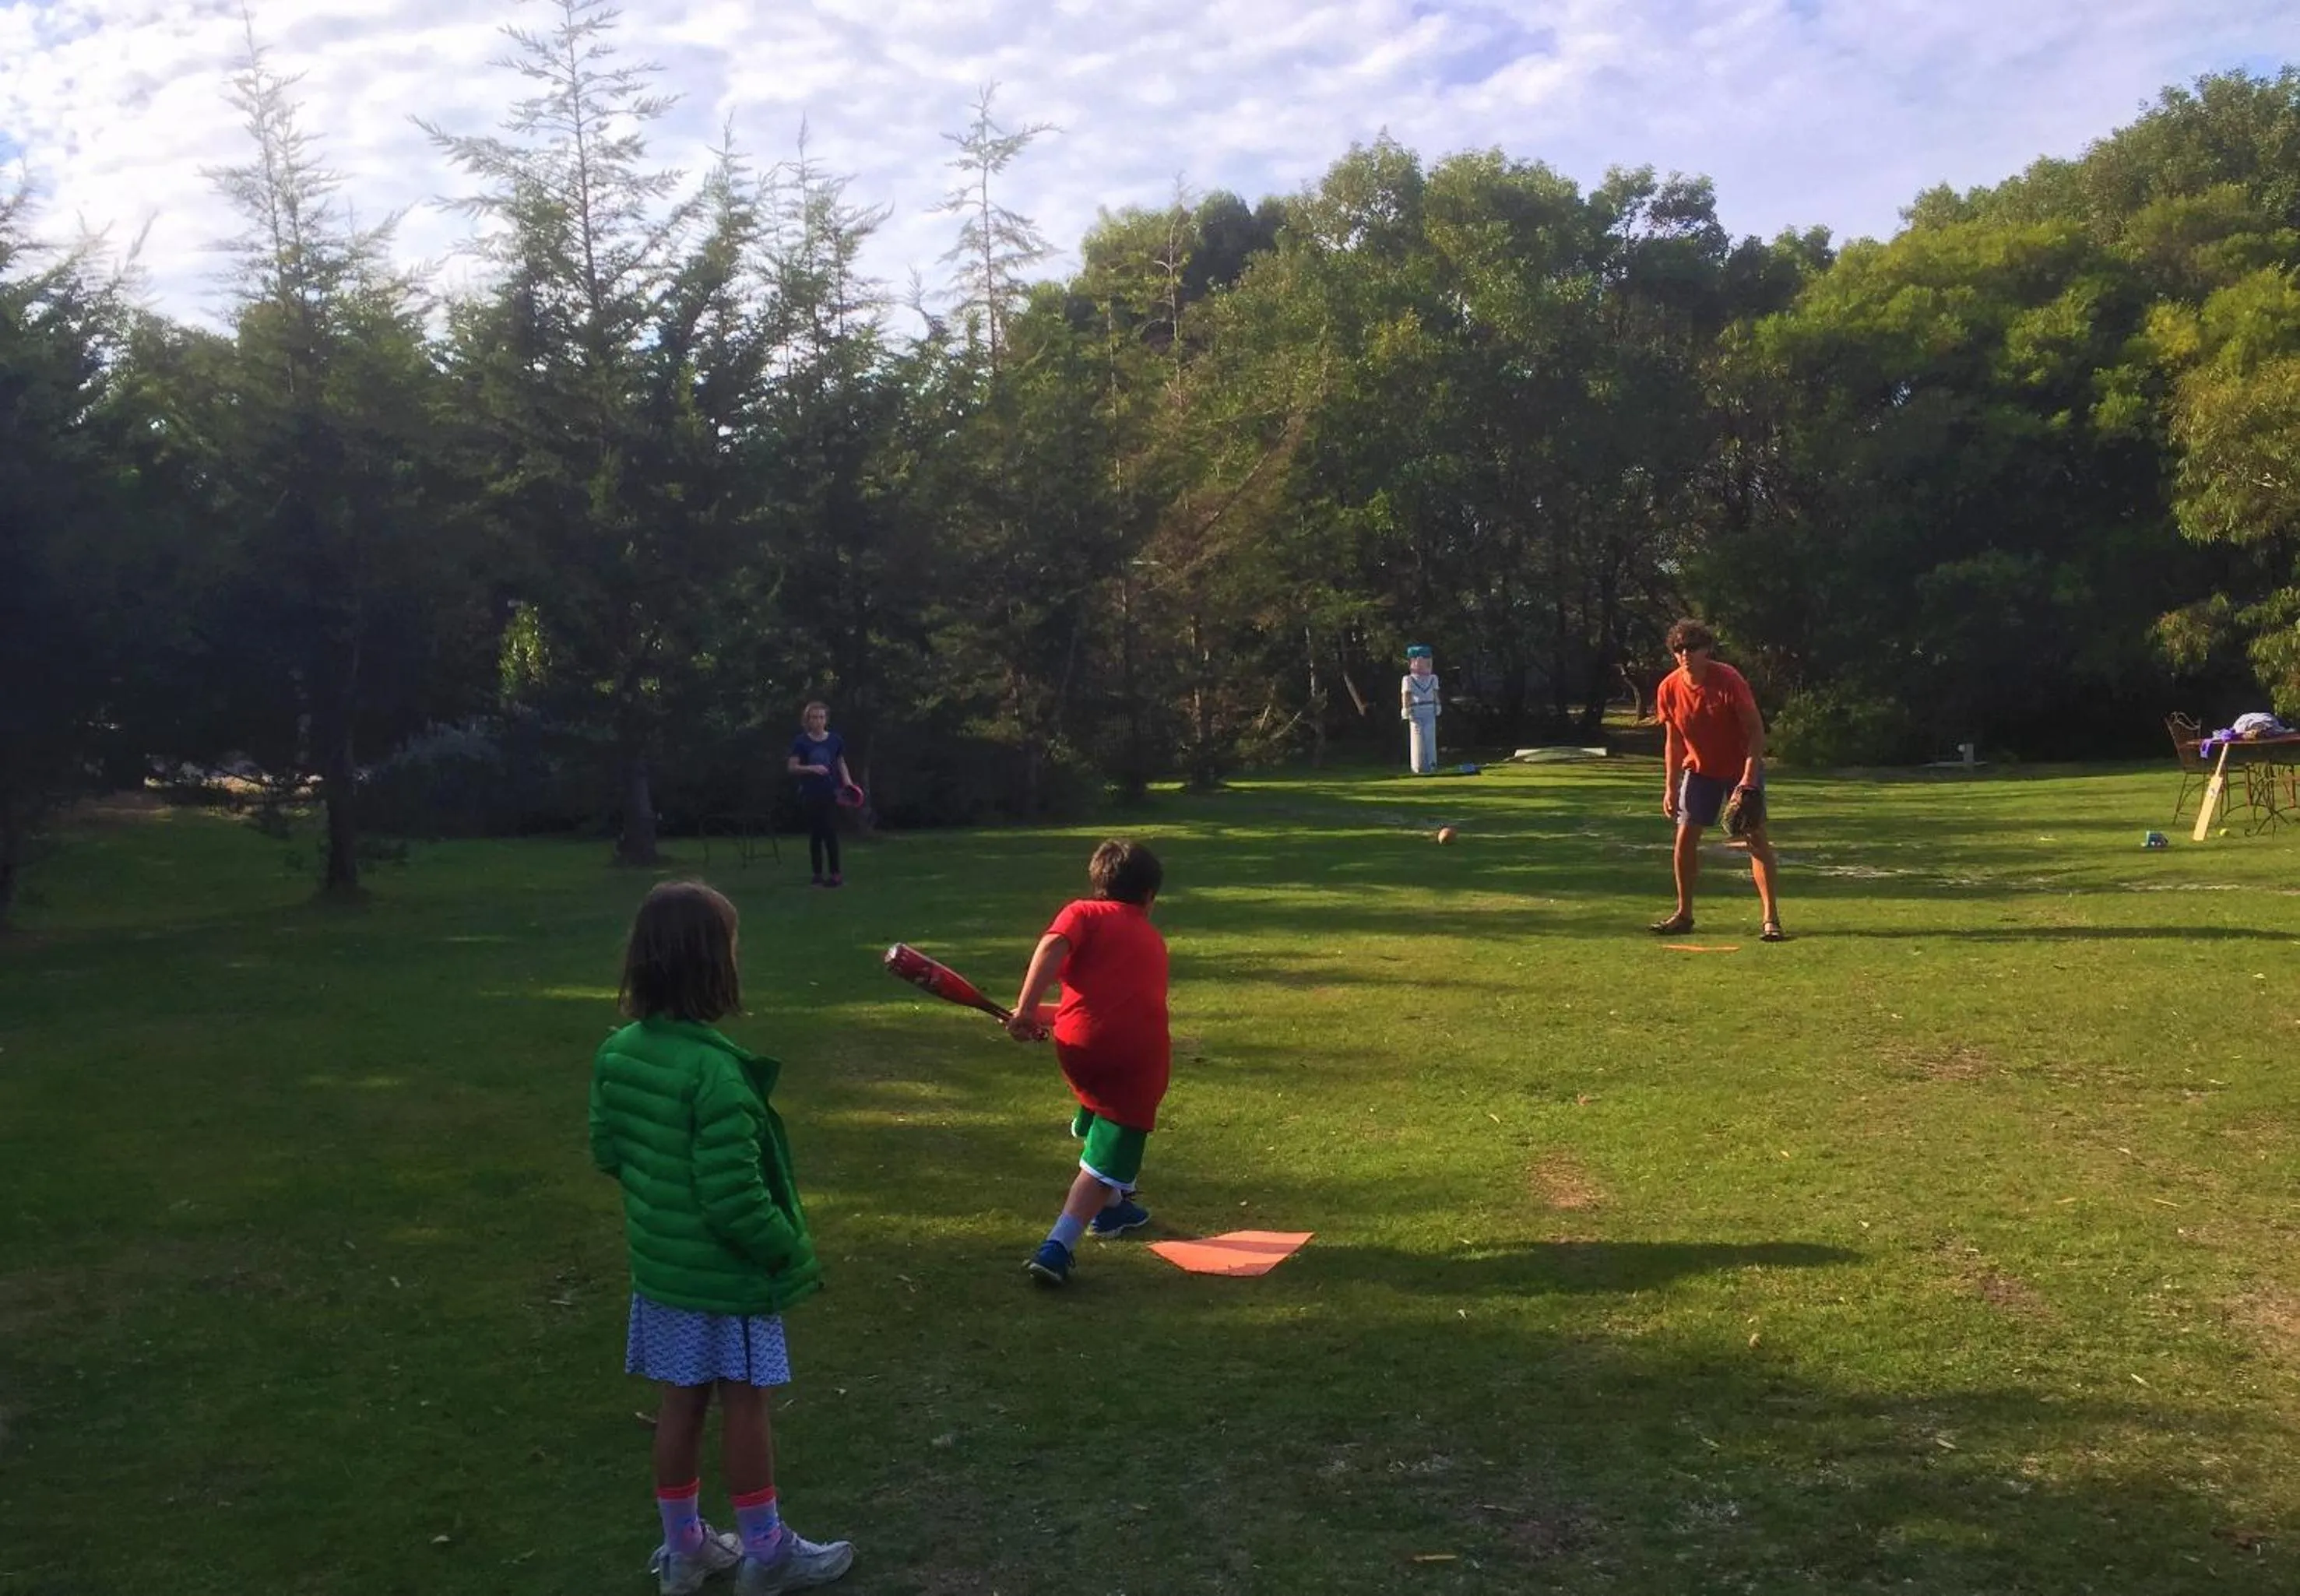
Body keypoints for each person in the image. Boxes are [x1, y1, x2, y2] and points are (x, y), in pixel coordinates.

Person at [589, 881, 855, 1596]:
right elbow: (736, 1200)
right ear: (714, 967)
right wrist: (786, 1248)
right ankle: (766, 1552)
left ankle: (684, 1551)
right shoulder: (717, 1074)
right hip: (728, 1280)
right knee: (745, 1402)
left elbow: (607, 1149)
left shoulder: (617, 1055)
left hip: (663, 1273)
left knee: (681, 1401)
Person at [1006, 839, 1171, 1287]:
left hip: (1079, 1050)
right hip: (1137, 1059)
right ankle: (1057, 1247)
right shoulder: (1152, 939)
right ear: (1149, 897)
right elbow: (1051, 946)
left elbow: (1087, 1003)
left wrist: (1028, 1011)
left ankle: (1115, 1208)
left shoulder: (1083, 913)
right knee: (1109, 1150)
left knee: (1102, 1099)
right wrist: (1025, 1009)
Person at [1651, 619, 1785, 943]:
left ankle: (1771, 918)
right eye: (1679, 648)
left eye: (1692, 647)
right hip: (1699, 771)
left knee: (1755, 839)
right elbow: (1674, 741)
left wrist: (1748, 781)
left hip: (1740, 768)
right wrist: (1670, 785)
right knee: (1684, 840)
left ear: (1707, 649)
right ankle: (1684, 914)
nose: (1685, 654)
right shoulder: (1669, 687)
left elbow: (1755, 731)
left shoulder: (1728, 680)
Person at [786, 702, 854, 888]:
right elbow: (792, 767)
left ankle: (835, 875)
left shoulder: (835, 741)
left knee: (831, 832)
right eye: (814, 717)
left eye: (822, 717)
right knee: (816, 834)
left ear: (826, 719)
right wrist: (811, 768)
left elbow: (840, 763)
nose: (818, 721)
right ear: (808, 720)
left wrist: (847, 782)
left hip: (831, 792)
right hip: (810, 793)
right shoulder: (801, 742)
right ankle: (817, 875)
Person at [1400, 645, 1441, 775]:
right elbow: (1406, 694)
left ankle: (1432, 765)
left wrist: (1438, 704)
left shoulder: (1433, 678)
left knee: (1430, 737)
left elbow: (1435, 693)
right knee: (1417, 737)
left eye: (1429, 659)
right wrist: (1406, 708)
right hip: (1416, 710)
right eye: (1423, 659)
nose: (1428, 663)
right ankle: (1418, 766)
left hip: (1429, 708)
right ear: (1413, 661)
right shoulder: (1408, 679)